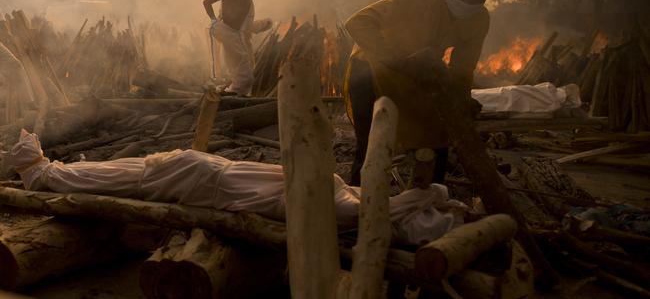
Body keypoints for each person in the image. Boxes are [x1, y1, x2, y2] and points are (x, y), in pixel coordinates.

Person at [5, 130, 467, 246]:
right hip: (195, 177)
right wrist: (425, 199)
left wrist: (428, 197)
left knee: (110, 174)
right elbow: (377, 211)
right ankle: (37, 169)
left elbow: (385, 206)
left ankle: (37, 165)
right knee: (107, 177)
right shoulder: (340, 206)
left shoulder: (338, 192)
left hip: (200, 170)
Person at [343, 0, 505, 187]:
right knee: (372, 144)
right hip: (371, 69)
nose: (472, 2)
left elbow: (463, 69)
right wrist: (395, 60)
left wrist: (461, 100)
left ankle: (429, 199)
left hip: (415, 75)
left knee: (437, 135)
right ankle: (357, 205)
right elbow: (358, 22)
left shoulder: (479, 19)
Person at [203, 0, 272, 96]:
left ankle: (229, 94)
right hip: (221, 29)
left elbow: (246, 28)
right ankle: (232, 94)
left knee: (242, 73)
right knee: (245, 77)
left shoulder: (248, 4)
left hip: (234, 36)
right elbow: (206, 2)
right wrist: (214, 20)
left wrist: (264, 24)